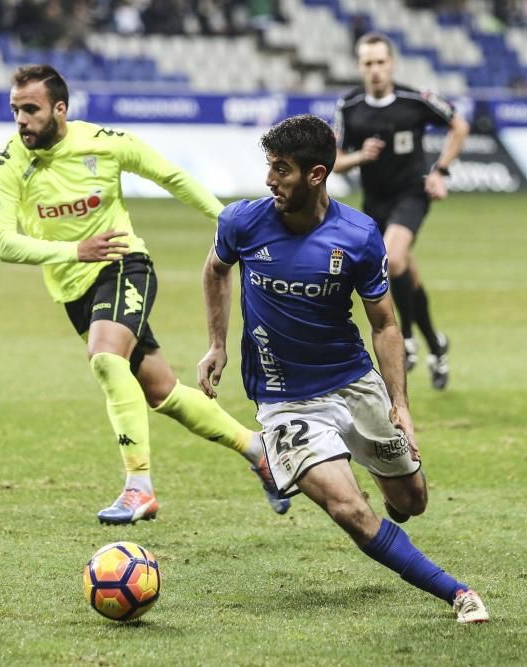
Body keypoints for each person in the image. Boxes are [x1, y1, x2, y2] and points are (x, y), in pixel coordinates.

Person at [197, 114, 489, 623]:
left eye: (281, 170)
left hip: (353, 384)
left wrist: (400, 404)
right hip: (285, 399)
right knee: (350, 511)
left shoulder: (357, 234)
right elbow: (215, 269)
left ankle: (376, 472)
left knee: (411, 502)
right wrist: (216, 344)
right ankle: (457, 593)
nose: (270, 181)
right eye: (269, 167)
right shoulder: (241, 221)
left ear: (316, 174)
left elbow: (385, 325)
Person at [0, 64, 289, 525]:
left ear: (59, 109)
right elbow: (2, 242)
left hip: (124, 265)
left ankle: (138, 486)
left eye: (31, 109)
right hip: (74, 288)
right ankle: (257, 448)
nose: (21, 120)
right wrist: (74, 250)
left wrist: (228, 222)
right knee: (162, 392)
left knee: (106, 359)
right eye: (15, 110)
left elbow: (171, 177)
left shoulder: (104, 143)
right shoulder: (8, 166)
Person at [334, 32, 470, 389]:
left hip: (411, 192)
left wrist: (440, 172)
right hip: (374, 201)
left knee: (392, 261)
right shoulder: (348, 107)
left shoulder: (416, 99)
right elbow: (334, 160)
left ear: (391, 63)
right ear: (359, 66)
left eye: (381, 62)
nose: (375, 69)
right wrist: (360, 156)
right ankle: (436, 344)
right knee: (404, 269)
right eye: (368, 63)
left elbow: (459, 125)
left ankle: (406, 339)